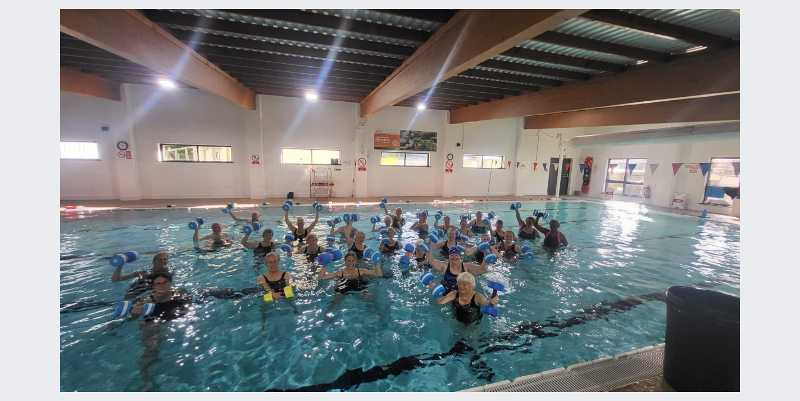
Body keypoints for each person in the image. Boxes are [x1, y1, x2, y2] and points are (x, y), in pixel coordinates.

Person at [318, 251, 383, 309]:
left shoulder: (361, 271)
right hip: (343, 286)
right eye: (348, 260)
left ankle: (379, 312)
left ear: (356, 261)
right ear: (345, 261)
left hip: (359, 285)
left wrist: (376, 263)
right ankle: (326, 317)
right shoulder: (340, 273)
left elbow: (378, 274)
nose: (350, 263)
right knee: (336, 300)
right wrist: (325, 263)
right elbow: (321, 277)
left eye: (353, 260)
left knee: (370, 297)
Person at [431, 272, 498, 326]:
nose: (461, 286)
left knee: (473, 341)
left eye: (464, 284)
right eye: (459, 284)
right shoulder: (454, 293)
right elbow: (439, 302)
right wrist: (434, 291)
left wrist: (491, 301)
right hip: (456, 321)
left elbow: (487, 304)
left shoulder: (477, 296)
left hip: (473, 323)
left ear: (471, 285)